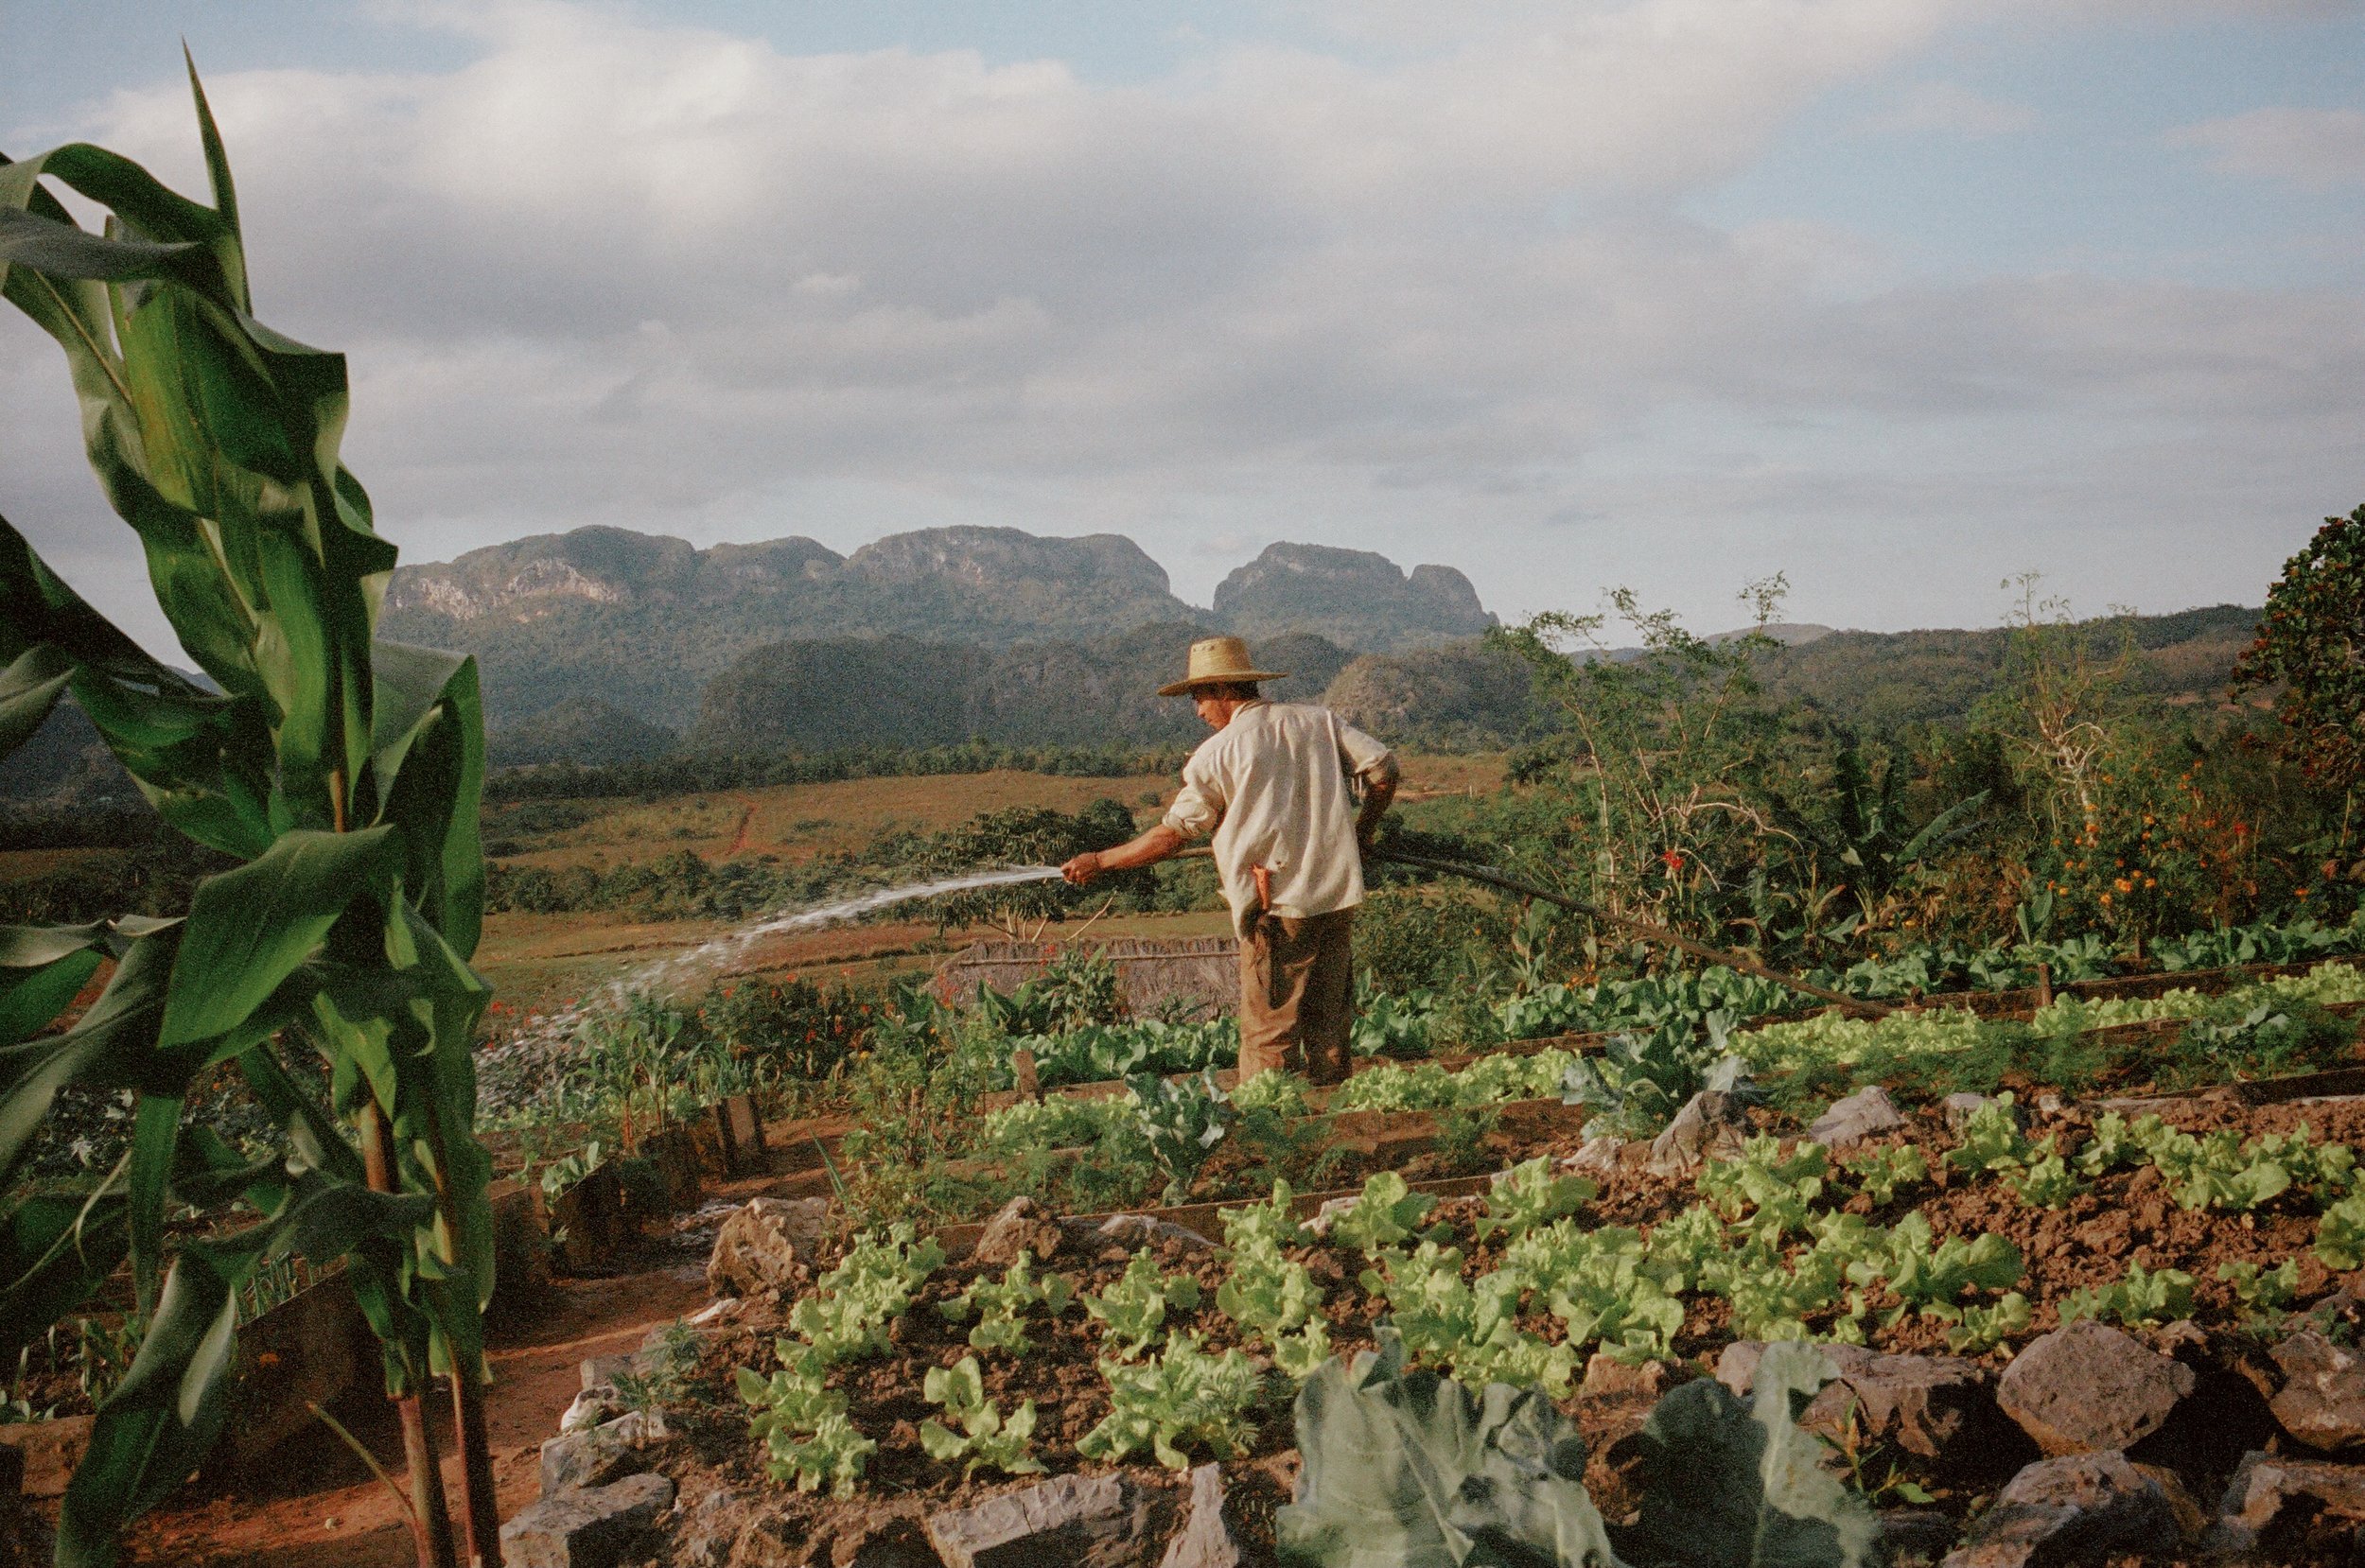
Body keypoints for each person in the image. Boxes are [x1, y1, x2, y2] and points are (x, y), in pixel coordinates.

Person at [1061, 636, 1397, 1085]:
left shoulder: (1217, 753)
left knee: (1268, 1033)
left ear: (1223, 690)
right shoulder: (1318, 722)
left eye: (1199, 697)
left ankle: (1273, 1134)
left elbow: (1173, 836)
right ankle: (1333, 1125)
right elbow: (1383, 770)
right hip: (1336, 900)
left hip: (1278, 909)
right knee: (1329, 1026)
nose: (1198, 710)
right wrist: (1363, 832)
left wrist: (1100, 861)